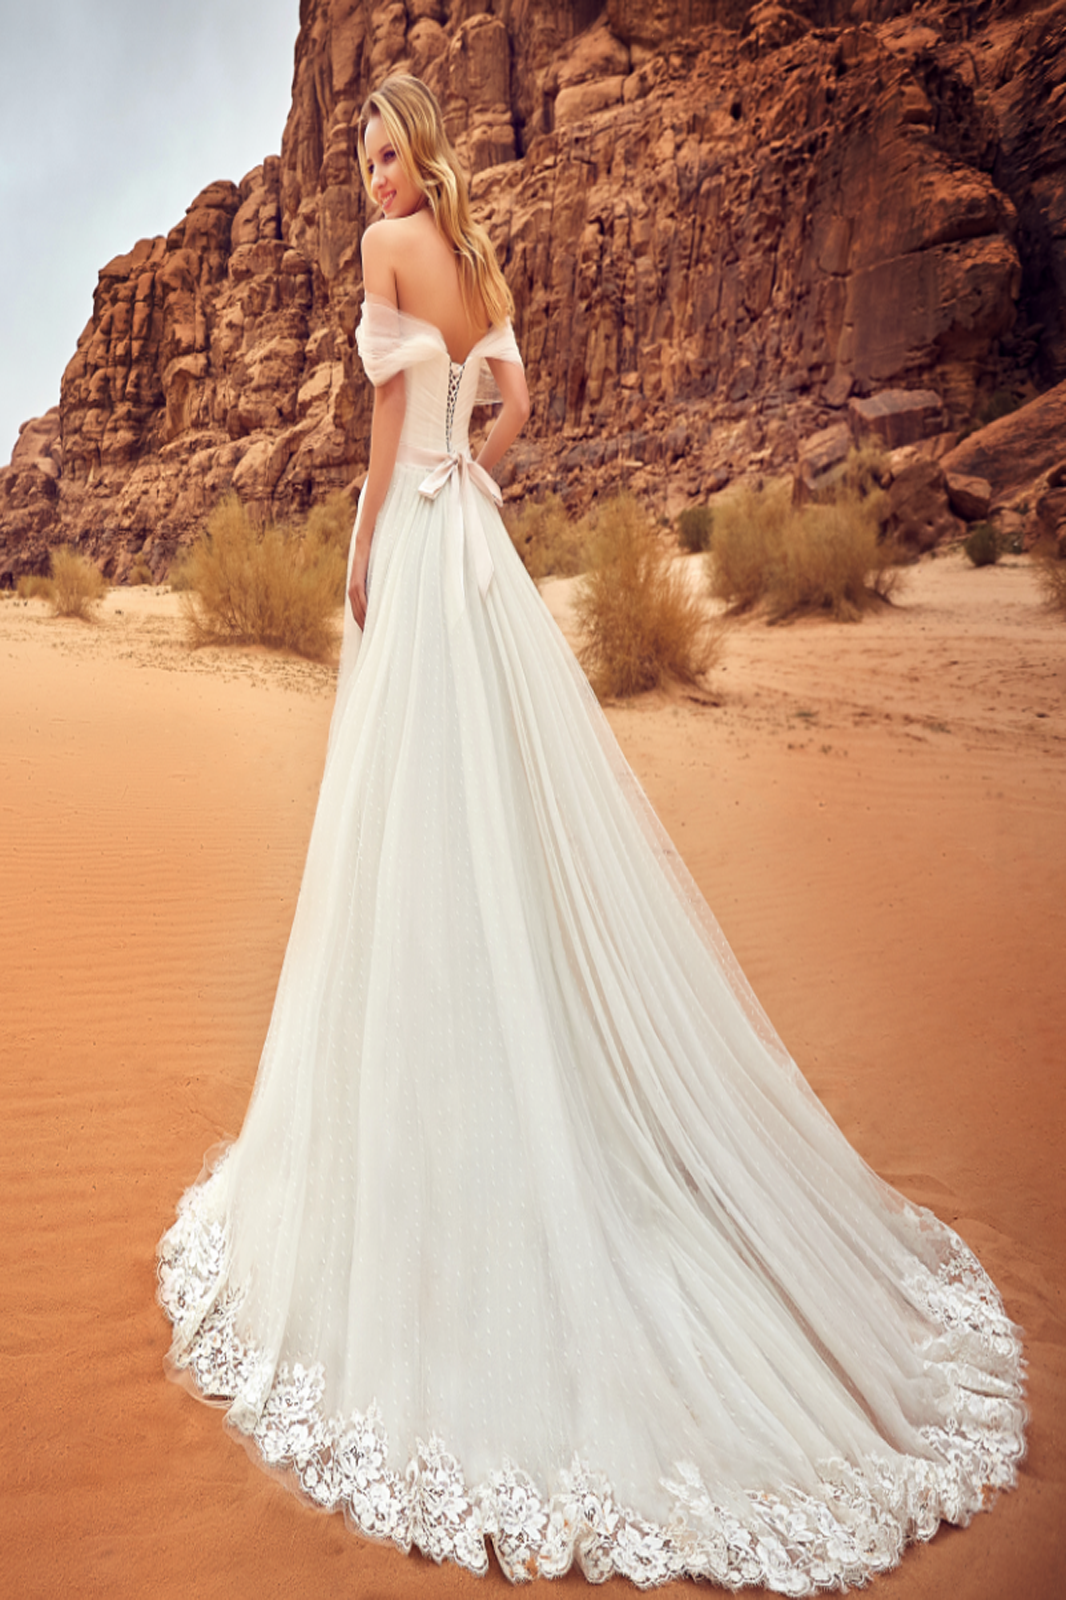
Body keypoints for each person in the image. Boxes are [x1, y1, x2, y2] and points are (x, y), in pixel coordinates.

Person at [158, 74, 1025, 1592]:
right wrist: (474, 482)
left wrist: (372, 541)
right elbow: (520, 404)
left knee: (413, 826)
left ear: (419, 156)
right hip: (474, 549)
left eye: (383, 155)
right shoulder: (481, 261)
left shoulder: (384, 257)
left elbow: (379, 420)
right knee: (491, 818)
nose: (370, 179)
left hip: (418, 560)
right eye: (359, 159)